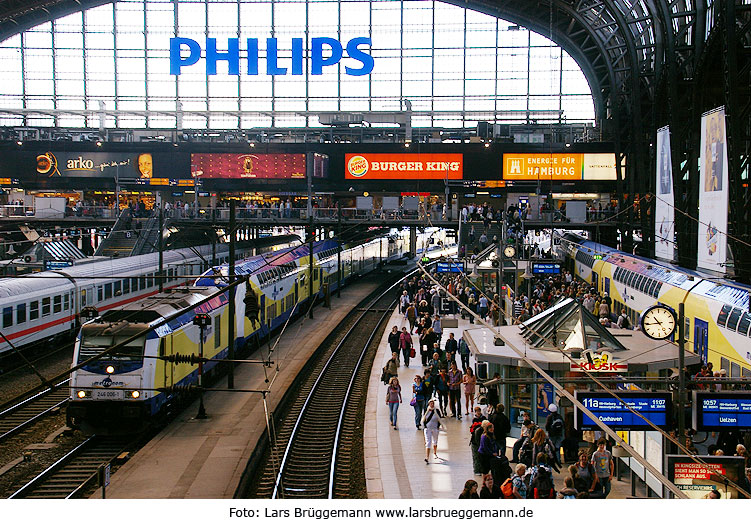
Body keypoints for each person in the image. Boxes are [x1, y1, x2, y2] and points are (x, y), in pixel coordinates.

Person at [422, 399, 443, 464]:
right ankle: (427, 457)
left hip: (435, 428)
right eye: (431, 403)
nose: (432, 405)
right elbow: (424, 419)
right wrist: (425, 426)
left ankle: (434, 452)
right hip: (428, 429)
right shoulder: (426, 411)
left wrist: (438, 426)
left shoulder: (437, 411)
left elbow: (439, 419)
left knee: (435, 441)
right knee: (428, 442)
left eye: (433, 403)